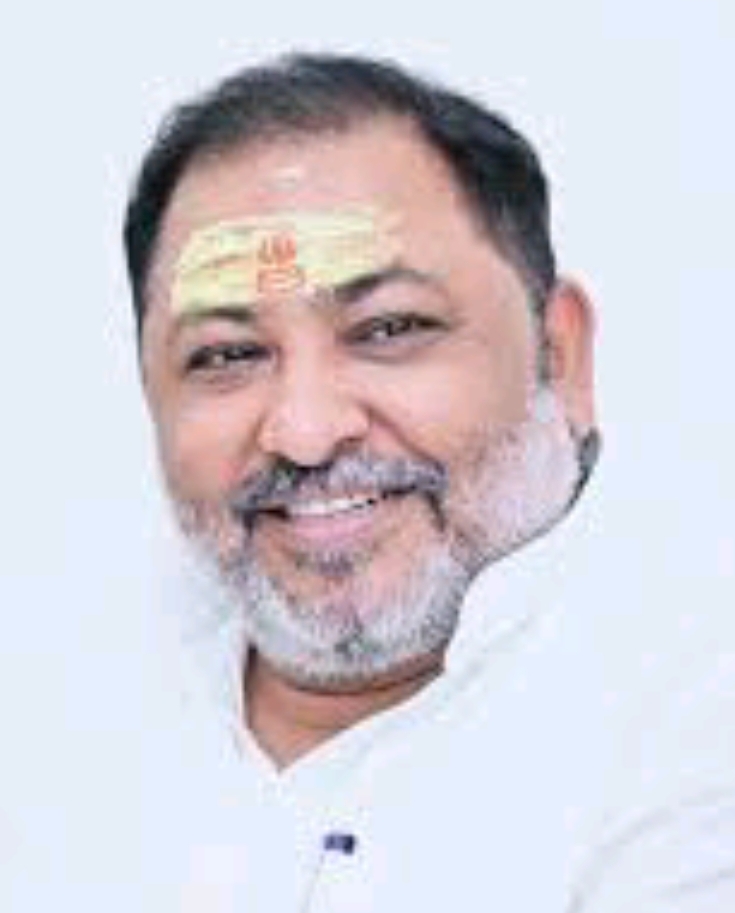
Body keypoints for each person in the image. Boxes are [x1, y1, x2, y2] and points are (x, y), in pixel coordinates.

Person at [123, 52, 734, 911]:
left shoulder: (697, 713)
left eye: (388, 328)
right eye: (226, 354)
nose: (305, 430)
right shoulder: (52, 722)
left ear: (558, 356)